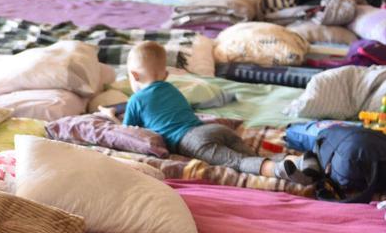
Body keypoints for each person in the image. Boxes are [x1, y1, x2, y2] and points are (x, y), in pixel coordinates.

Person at [107, 41, 322, 184]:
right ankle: (301, 161)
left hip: (192, 140)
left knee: (238, 163)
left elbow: (127, 132)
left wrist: (109, 117)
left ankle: (280, 171)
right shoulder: (172, 88)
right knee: (251, 156)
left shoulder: (135, 100)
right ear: (164, 73)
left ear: (134, 76)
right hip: (213, 129)